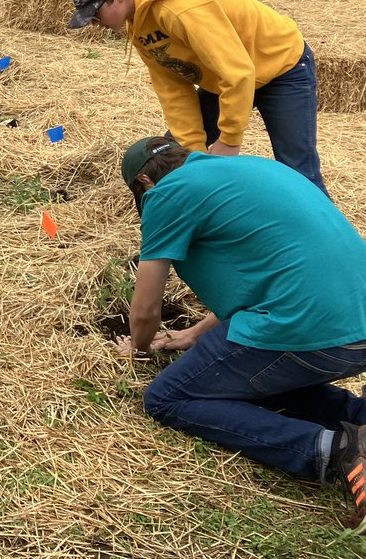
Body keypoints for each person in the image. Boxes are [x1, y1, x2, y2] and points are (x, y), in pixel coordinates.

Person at [114, 136, 366, 513]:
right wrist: (196, 334)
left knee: (167, 397)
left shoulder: (166, 193)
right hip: (351, 327)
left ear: (144, 185)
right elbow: (269, 274)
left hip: (311, 332)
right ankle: (358, 419)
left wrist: (138, 349)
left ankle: (336, 452)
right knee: (247, 376)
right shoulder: (256, 167)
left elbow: (146, 310)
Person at [68, 0, 326, 195]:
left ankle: (326, 240)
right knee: (175, 155)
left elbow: (239, 72)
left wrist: (228, 141)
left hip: (281, 67)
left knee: (297, 171)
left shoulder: (178, 9)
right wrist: (194, 153)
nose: (93, 23)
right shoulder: (138, 26)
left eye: (95, 14)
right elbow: (173, 90)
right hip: (225, 79)